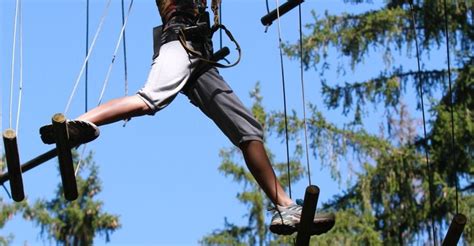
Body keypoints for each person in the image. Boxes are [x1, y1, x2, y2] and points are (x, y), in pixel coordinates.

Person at [40, 0, 335, 236]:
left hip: (201, 56)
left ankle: (285, 206)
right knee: (150, 98)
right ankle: (77, 125)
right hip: (178, 42)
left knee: (247, 130)